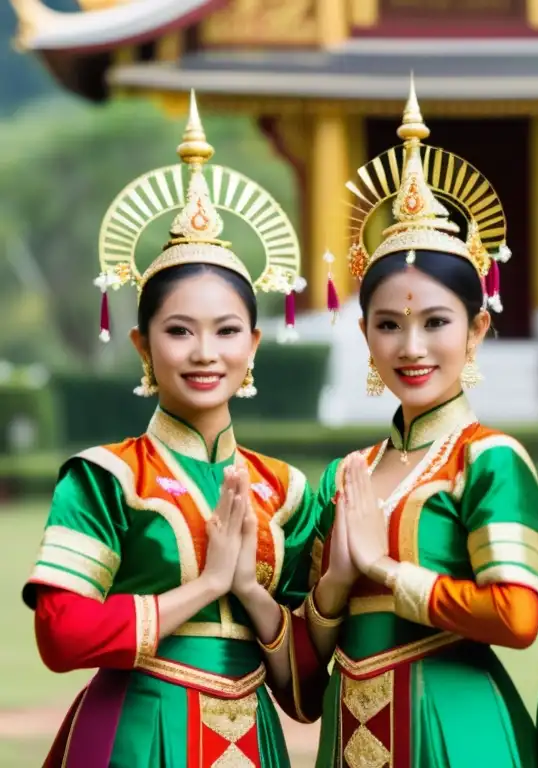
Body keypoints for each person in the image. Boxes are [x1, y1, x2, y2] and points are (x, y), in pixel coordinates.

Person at [23, 93, 322, 767]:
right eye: (179, 331)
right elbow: (61, 635)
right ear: (142, 345)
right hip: (134, 732)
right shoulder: (106, 477)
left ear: (254, 345)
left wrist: (248, 589)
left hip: (253, 738)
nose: (203, 353)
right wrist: (207, 588)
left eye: (225, 332)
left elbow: (306, 694)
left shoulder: (291, 494)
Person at [300, 79, 538, 768]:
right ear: (366, 334)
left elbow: (516, 616)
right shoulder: (346, 477)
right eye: (389, 325)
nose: (411, 348)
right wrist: (336, 586)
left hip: (458, 726)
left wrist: (381, 567)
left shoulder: (490, 461)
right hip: (348, 729)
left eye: (436, 323)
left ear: (477, 331)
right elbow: (299, 682)